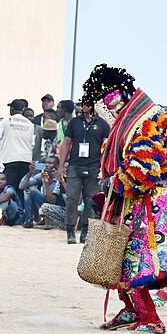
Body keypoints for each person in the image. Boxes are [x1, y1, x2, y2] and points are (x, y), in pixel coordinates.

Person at [80, 64, 167, 334]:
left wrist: (111, 183)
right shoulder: (133, 118)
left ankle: (150, 319)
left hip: (159, 199)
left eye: (104, 99)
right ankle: (130, 308)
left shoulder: (144, 121)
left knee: (134, 257)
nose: (103, 107)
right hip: (148, 196)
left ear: (118, 94)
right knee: (122, 255)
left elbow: (142, 171)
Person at [57, 102, 110, 244]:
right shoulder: (74, 123)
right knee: (71, 199)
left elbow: (106, 148)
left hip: (94, 167)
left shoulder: (103, 125)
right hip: (75, 165)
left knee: (90, 201)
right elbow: (66, 143)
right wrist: (61, 166)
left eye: (87, 102)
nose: (83, 106)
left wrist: (104, 168)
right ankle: (70, 231)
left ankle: (85, 231)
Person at [0, 98, 34, 206]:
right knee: (21, 188)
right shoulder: (30, 124)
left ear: (12, 109)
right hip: (25, 159)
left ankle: (12, 213)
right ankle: (22, 214)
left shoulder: (6, 121)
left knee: (10, 188)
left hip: (10, 159)